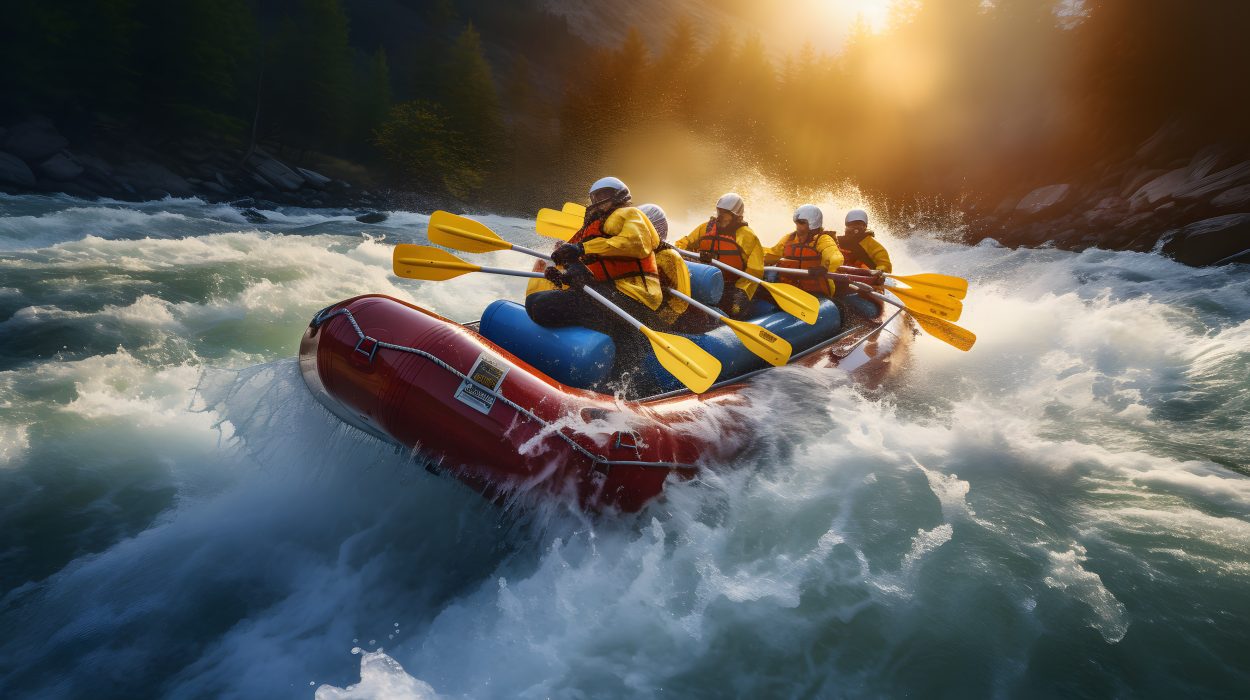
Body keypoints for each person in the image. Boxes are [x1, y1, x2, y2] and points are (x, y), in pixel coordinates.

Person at [526, 177, 663, 366]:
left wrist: (582, 249)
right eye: (596, 196)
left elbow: (635, 243)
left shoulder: (629, 214)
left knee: (542, 305)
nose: (600, 200)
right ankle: (618, 332)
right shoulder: (594, 224)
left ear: (619, 196)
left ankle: (618, 332)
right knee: (535, 302)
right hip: (609, 291)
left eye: (605, 195)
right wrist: (563, 273)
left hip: (634, 297)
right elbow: (583, 264)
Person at [672, 192, 764, 318]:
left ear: (737, 217)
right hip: (704, 281)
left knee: (735, 310)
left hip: (731, 287)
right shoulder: (706, 228)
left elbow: (755, 271)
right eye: (719, 211)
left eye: (725, 213)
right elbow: (683, 244)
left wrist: (742, 291)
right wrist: (694, 257)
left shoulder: (747, 237)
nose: (720, 217)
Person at [762, 204, 844, 297]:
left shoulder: (823, 240)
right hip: (791, 290)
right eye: (796, 222)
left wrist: (826, 269)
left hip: (816, 293)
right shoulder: (789, 238)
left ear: (813, 223)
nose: (797, 225)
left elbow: (835, 257)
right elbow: (772, 254)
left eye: (801, 222)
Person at [638, 203, 692, 329]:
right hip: (643, 308)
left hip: (666, 317)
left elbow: (681, 302)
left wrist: (660, 322)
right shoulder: (638, 252)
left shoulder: (670, 257)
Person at [838, 208, 891, 277]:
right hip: (841, 276)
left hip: (867, 279)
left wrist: (879, 272)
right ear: (847, 226)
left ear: (865, 226)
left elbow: (885, 265)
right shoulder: (838, 241)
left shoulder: (872, 244)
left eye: (859, 224)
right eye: (852, 224)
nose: (855, 227)